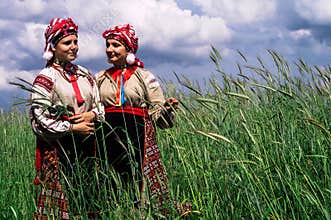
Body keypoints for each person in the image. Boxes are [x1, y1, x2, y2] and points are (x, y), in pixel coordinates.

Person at [95, 24, 179, 215]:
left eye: (115, 45)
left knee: (137, 181)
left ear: (128, 48)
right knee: (109, 183)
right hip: (106, 139)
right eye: (107, 45)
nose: (109, 50)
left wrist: (167, 109)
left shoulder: (144, 77)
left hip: (137, 138)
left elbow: (157, 110)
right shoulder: (99, 78)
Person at [30, 17, 104, 219]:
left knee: (88, 199)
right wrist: (72, 128)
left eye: (75, 42)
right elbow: (39, 120)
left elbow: (100, 108)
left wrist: (91, 115)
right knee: (63, 203)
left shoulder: (85, 74)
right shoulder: (45, 78)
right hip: (60, 150)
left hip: (87, 148)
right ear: (53, 47)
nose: (73, 47)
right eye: (67, 43)